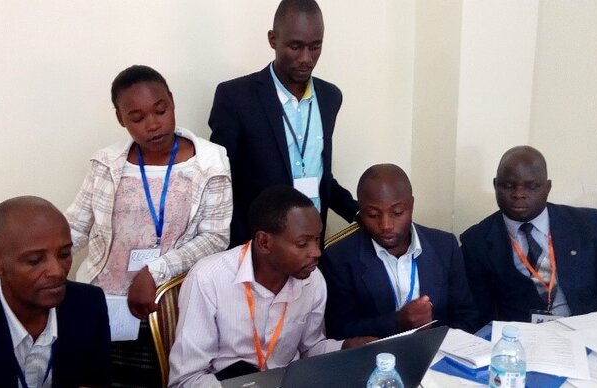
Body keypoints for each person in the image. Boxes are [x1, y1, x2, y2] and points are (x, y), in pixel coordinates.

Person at [0, 65, 233, 387]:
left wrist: (155, 271)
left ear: (172, 103)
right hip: (106, 302)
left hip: (164, 301)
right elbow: (71, 230)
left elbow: (215, 237)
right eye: (136, 118)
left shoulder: (210, 161)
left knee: (157, 378)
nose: (153, 124)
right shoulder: (106, 163)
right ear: (121, 119)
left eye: (160, 110)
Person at [168, 186, 375, 388]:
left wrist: (346, 347)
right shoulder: (208, 279)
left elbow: (310, 349)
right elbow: (187, 380)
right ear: (264, 242)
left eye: (317, 240)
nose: (316, 252)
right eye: (303, 244)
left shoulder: (313, 280)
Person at [208, 0, 358, 247]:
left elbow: (319, 175)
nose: (306, 58)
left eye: (315, 47)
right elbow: (222, 183)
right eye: (295, 46)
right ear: (273, 39)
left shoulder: (331, 97)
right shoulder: (235, 97)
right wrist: (242, 249)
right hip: (258, 249)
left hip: (310, 247)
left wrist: (359, 214)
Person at [0, 196, 111, 387]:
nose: (57, 271)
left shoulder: (89, 304)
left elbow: (95, 382)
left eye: (64, 254)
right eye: (35, 260)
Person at [460, 145, 597, 326]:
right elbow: (479, 313)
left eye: (531, 187)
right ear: (495, 185)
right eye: (508, 186)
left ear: (548, 187)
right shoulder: (476, 242)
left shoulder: (589, 225)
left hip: (588, 332)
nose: (519, 194)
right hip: (523, 340)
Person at [321, 164, 478, 339]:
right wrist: (396, 322)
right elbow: (339, 331)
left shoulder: (444, 246)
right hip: (375, 360)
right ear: (361, 211)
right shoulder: (339, 257)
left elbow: (466, 317)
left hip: (437, 356)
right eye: (373, 215)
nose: (385, 225)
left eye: (397, 213)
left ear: (411, 205)